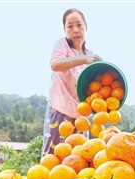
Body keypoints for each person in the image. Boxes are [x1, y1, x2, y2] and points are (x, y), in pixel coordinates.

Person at [41, 8, 102, 157]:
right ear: (64, 30)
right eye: (70, 26)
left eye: (79, 25)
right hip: (60, 110)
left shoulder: (90, 55)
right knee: (53, 157)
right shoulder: (63, 45)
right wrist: (85, 60)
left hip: (82, 115)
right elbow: (55, 64)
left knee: (79, 159)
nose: (75, 30)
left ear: (86, 27)